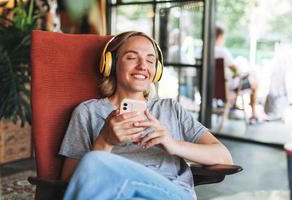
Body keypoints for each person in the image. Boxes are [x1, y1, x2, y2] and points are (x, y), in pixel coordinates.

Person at [59, 31, 233, 200]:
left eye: (150, 60)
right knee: (94, 161)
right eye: (132, 57)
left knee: (94, 161)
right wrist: (104, 142)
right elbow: (69, 182)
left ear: (156, 70)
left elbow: (224, 157)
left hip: (170, 192)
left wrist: (173, 144)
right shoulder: (87, 112)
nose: (143, 65)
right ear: (111, 64)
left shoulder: (170, 108)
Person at [215, 26, 259, 124]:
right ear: (220, 36)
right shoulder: (222, 52)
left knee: (242, 79)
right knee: (253, 81)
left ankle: (232, 107)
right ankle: (253, 115)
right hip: (225, 89)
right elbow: (237, 70)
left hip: (210, 89)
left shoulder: (204, 51)